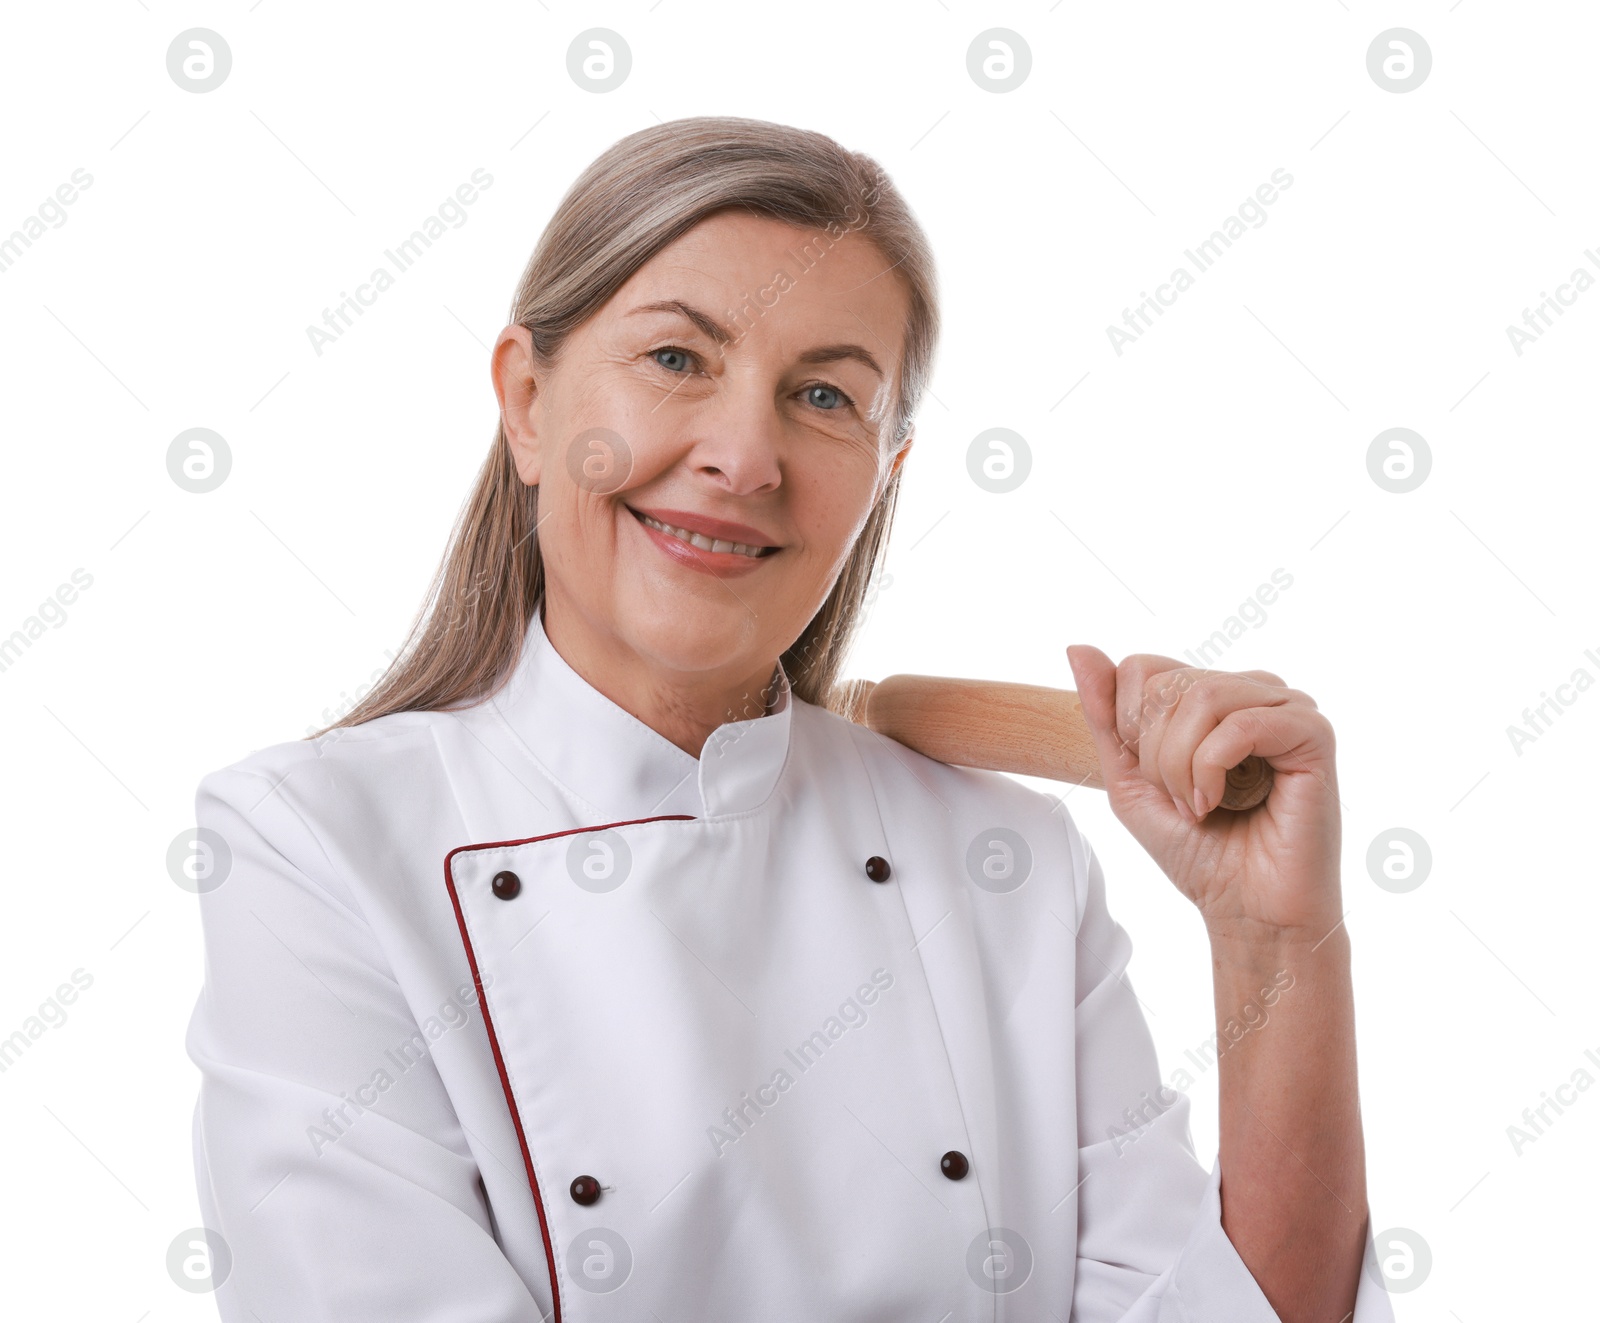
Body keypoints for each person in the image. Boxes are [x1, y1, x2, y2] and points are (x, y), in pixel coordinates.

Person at [185, 115, 1392, 1322]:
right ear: (528, 401)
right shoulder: (314, 842)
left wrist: (1272, 940)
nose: (744, 455)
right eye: (675, 360)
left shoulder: (1008, 862)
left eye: (823, 395)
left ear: (884, 475)